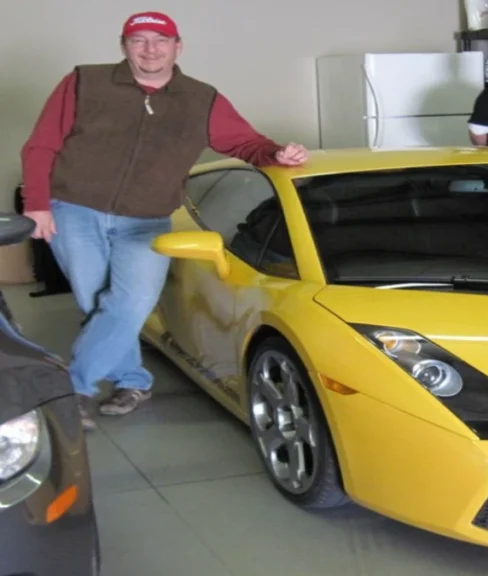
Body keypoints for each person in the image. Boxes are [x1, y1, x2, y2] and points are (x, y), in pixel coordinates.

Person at [19, 11, 309, 430]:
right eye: (139, 41)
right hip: (75, 209)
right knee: (95, 300)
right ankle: (133, 381)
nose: (150, 49)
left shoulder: (201, 97)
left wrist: (277, 154)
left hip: (147, 219)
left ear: (178, 46)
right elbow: (41, 145)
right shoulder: (84, 82)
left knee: (130, 302)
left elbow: (246, 143)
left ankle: (73, 388)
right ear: (124, 46)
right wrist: (37, 204)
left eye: (160, 40)